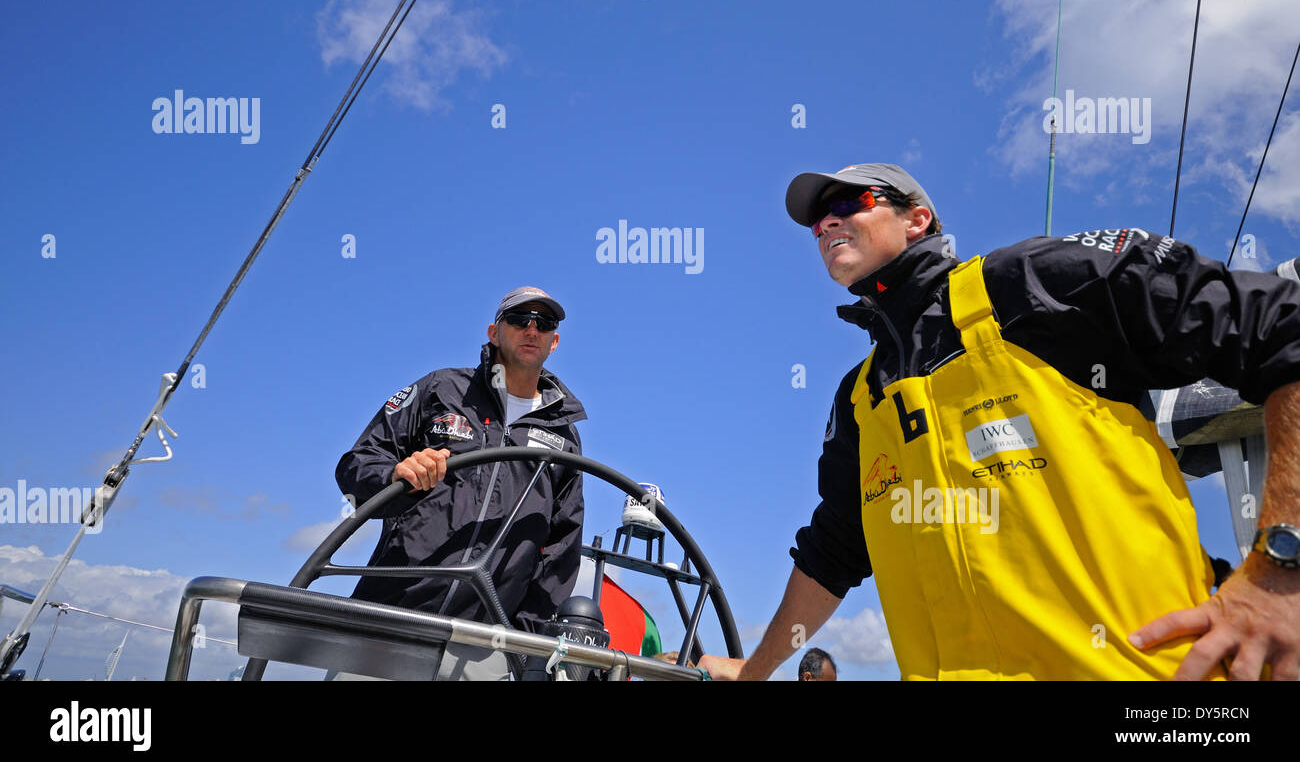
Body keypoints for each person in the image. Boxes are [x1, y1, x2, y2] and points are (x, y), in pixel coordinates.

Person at [702, 163, 1300, 681]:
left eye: (847, 203)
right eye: (816, 222)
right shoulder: (860, 400)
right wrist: (753, 672)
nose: (826, 224)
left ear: (918, 220)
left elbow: (1280, 325)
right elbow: (831, 554)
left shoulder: (1031, 283)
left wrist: (1280, 570)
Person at [335, 286, 587, 680]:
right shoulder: (441, 389)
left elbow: (561, 548)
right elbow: (356, 465)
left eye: (544, 323)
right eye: (519, 319)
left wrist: (523, 645)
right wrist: (394, 475)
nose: (531, 329)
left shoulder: (564, 437)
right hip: (389, 620)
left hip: (483, 648)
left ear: (554, 342)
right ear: (493, 332)